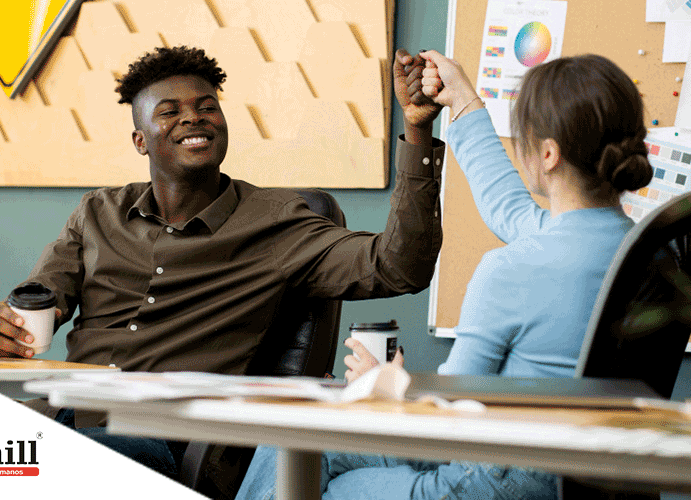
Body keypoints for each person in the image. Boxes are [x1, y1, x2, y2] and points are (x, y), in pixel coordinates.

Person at [0, 45, 445, 484]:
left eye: (206, 107)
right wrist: (9, 326)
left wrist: (418, 131)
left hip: (166, 442)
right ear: (140, 140)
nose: (192, 118)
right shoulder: (98, 213)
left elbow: (398, 266)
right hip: (67, 416)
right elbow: (40, 299)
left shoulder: (276, 223)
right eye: (169, 111)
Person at [235, 50, 653, 500]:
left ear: (547, 154)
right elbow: (507, 209)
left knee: (307, 460)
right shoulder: (643, 249)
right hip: (585, 471)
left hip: (493, 479)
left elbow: (447, 420)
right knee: (306, 443)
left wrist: (385, 385)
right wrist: (463, 101)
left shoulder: (512, 270)